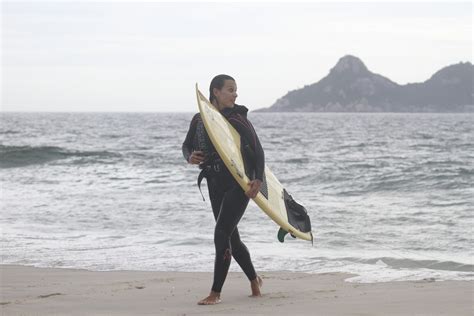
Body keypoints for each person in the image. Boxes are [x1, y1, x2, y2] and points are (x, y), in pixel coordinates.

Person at [182, 74, 265, 305]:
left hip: (239, 184)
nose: (235, 94)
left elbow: (258, 151)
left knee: (221, 233)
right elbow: (186, 145)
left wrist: (257, 179)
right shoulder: (200, 119)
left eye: (235, 90)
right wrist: (190, 156)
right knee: (232, 238)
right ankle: (254, 279)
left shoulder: (238, 119)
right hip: (214, 183)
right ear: (216, 92)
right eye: (230, 89)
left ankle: (215, 293)